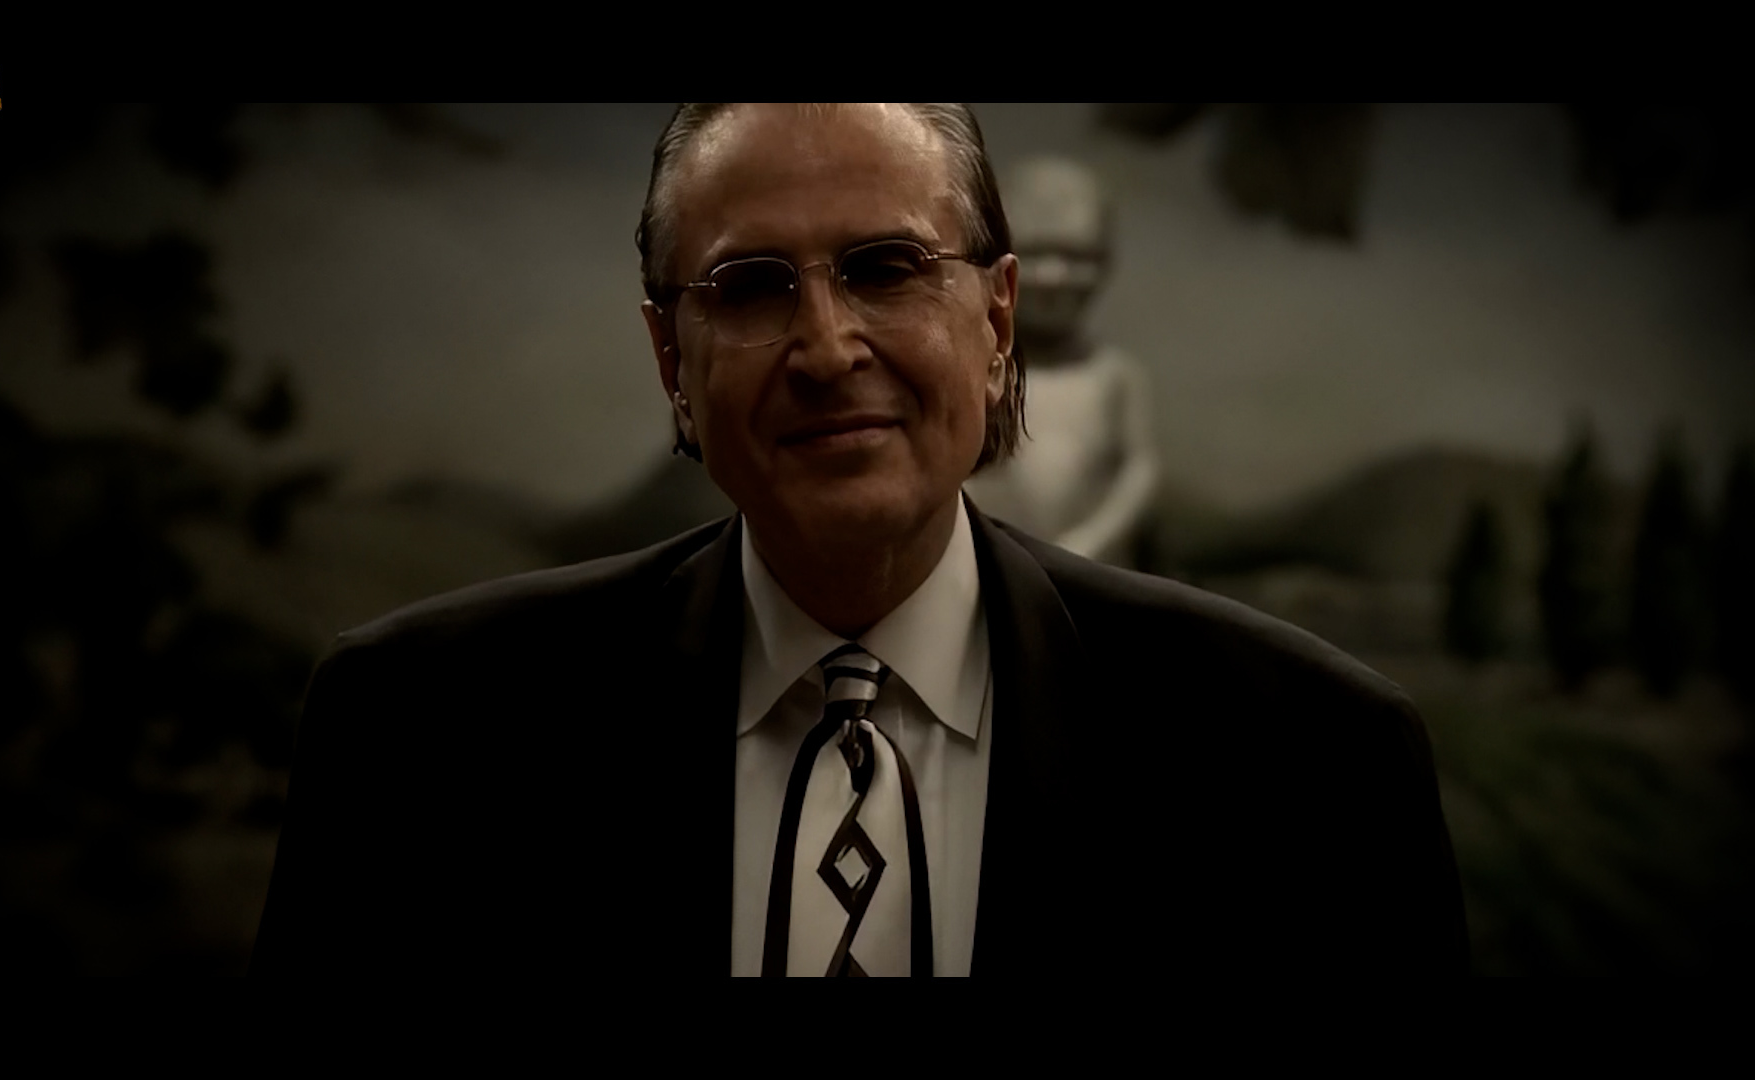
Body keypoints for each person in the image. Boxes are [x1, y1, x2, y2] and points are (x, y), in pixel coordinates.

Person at [250, 103, 1468, 977]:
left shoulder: (1311, 761)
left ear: (998, 326)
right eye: (751, 285)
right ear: (672, 358)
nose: (828, 349)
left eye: (887, 268)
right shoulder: (416, 732)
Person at [963, 156, 1161, 567]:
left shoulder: (1113, 376)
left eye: (1076, 257)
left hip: (1088, 569)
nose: (1054, 276)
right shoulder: (974, 370)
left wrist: (1090, 540)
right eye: (1035, 255)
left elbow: (1139, 472)